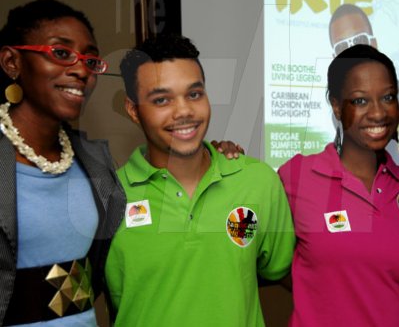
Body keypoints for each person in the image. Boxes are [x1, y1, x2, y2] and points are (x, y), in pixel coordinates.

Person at [105, 33, 295, 326]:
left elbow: (281, 271)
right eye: (161, 99)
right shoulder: (108, 197)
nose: (184, 111)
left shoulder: (258, 181)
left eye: (194, 94)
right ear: (133, 110)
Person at [278, 44, 399, 326]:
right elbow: (263, 259)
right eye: (360, 101)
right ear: (335, 104)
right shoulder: (296, 176)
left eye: (388, 97)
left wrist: (387, 290)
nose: (378, 113)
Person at [0, 0, 126, 325]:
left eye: (90, 59)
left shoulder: (95, 161)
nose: (81, 70)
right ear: (12, 62)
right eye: (61, 53)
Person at [329, 3, 399, 163]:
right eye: (342, 46)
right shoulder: (338, 105)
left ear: (374, 44)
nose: (353, 52)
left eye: (360, 39)